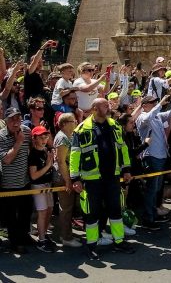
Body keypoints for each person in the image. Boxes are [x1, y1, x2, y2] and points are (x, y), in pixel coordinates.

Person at [70, 97, 135, 259]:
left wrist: (126, 169)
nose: (108, 107)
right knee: (92, 214)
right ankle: (92, 245)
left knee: (115, 211)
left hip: (112, 177)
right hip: (92, 180)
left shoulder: (114, 125)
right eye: (104, 105)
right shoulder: (81, 130)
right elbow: (75, 154)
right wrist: (74, 178)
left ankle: (119, 242)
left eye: (107, 105)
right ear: (94, 109)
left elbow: (123, 148)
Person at [136, 93, 171, 230]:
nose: (155, 103)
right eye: (152, 102)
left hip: (161, 156)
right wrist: (160, 103)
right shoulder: (142, 117)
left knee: (156, 189)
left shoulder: (157, 116)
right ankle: (148, 218)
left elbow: (170, 113)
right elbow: (148, 117)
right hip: (151, 157)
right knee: (151, 189)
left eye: (155, 102)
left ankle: (153, 213)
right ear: (144, 105)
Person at [0, 108, 34, 254]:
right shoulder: (1, 136)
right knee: (11, 216)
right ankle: (15, 243)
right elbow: (6, 159)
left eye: (18, 118)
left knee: (26, 212)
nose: (16, 122)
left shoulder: (26, 131)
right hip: (9, 184)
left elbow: (32, 149)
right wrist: (19, 142)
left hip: (25, 181)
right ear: (6, 121)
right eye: (12, 119)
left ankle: (24, 236)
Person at [54, 112, 81, 247]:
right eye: (72, 121)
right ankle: (66, 237)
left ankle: (68, 234)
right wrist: (67, 181)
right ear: (64, 124)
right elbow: (61, 161)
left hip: (69, 175)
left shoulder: (68, 136)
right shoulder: (62, 138)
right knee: (66, 208)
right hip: (63, 177)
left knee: (70, 207)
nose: (75, 122)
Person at [28, 125, 56, 252]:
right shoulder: (33, 154)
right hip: (38, 185)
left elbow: (49, 167)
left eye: (46, 136)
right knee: (42, 212)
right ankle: (41, 241)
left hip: (48, 184)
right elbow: (34, 176)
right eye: (41, 137)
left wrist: (51, 163)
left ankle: (44, 235)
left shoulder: (45, 150)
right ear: (34, 138)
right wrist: (48, 165)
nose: (44, 139)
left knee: (49, 209)